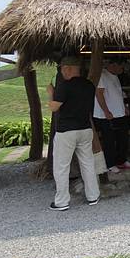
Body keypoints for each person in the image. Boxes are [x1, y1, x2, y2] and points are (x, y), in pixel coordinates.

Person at [46, 56, 100, 211]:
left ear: (68, 68)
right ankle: (93, 196)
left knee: (61, 166)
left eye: (62, 69)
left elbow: (54, 107)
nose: (62, 72)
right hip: (85, 129)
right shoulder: (89, 85)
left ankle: (61, 201)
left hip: (67, 132)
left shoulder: (65, 86)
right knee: (88, 163)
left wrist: (51, 93)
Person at [93, 56, 130, 174]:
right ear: (114, 65)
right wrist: (106, 111)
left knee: (122, 139)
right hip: (107, 115)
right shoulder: (102, 75)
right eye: (121, 67)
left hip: (119, 113)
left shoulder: (115, 76)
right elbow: (99, 94)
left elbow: (118, 93)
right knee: (109, 141)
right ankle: (110, 164)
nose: (123, 69)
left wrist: (125, 107)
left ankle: (121, 161)